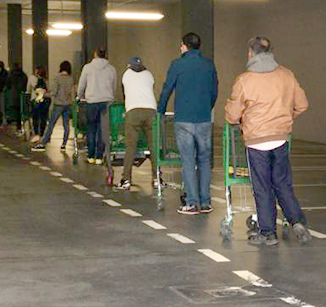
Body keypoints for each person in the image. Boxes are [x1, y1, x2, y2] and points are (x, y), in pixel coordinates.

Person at [224, 36, 310, 246]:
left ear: (250, 53)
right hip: (280, 139)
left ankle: (268, 233)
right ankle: (297, 222)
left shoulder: (245, 80)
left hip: (256, 141)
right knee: (282, 183)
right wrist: (285, 119)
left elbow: (232, 116)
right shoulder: (286, 75)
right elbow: (302, 105)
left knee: (262, 187)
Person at [157, 32, 218, 214]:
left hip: (183, 119)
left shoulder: (177, 64)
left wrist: (160, 109)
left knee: (188, 160)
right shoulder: (208, 65)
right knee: (204, 160)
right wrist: (207, 107)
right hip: (204, 119)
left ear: (184, 46)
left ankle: (192, 202)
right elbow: (214, 90)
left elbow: (167, 88)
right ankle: (205, 202)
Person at [115, 57, 159, 190]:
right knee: (153, 147)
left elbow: (124, 93)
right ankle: (157, 178)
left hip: (133, 111)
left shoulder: (126, 74)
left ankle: (126, 179)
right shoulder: (149, 74)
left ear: (130, 66)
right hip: (151, 110)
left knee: (131, 146)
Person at [77, 47, 116, 165]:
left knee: (91, 128)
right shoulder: (111, 69)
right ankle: (99, 157)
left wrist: (79, 96)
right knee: (102, 129)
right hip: (106, 102)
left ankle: (91, 156)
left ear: (95, 54)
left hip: (92, 102)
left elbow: (82, 84)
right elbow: (113, 85)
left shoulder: (87, 68)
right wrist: (111, 97)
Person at [32, 61, 74, 151]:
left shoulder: (57, 78)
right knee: (66, 125)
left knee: (51, 124)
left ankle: (43, 143)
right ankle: (64, 144)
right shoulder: (71, 79)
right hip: (68, 104)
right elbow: (72, 92)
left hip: (58, 104)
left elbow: (53, 92)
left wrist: (43, 94)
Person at [5, 62, 28, 135]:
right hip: (22, 94)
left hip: (13, 95)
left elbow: (8, 84)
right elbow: (25, 84)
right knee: (23, 111)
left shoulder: (11, 75)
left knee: (16, 111)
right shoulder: (23, 75)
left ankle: (18, 127)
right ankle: (24, 126)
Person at [28, 65, 50, 139]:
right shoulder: (46, 80)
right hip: (45, 100)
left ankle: (36, 132)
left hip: (35, 99)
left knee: (35, 117)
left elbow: (28, 90)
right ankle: (42, 133)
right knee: (43, 117)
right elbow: (49, 90)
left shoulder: (33, 79)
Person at [0, 61, 9, 126]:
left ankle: (3, 120)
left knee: (2, 106)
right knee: (1, 106)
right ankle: (1, 120)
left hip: (2, 91)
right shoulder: (4, 73)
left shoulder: (2, 74)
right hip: (1, 90)